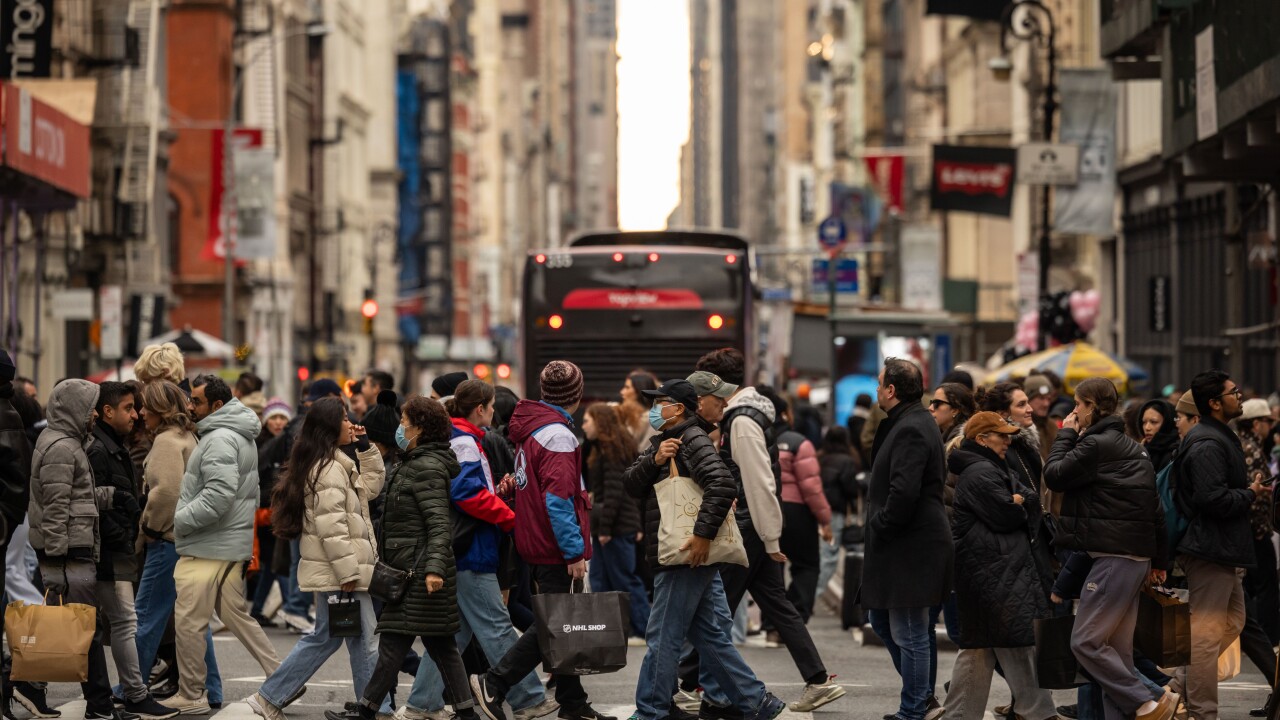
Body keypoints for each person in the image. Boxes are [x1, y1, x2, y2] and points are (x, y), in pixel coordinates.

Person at [684, 351, 843, 714]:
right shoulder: (745, 415)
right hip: (754, 527)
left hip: (748, 528)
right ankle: (817, 680)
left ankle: (689, 683)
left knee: (714, 608)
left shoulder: (740, 421)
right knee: (776, 605)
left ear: (717, 383)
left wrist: (771, 539)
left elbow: (759, 482)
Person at [621, 379, 787, 720]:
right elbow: (631, 484)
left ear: (678, 408)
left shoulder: (691, 438)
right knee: (709, 635)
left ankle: (651, 710)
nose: (654, 408)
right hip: (682, 552)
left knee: (663, 635)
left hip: (683, 552)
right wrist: (654, 459)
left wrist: (701, 536)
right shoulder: (666, 440)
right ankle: (756, 702)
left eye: (660, 402)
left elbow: (722, 484)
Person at [403, 381, 556, 720]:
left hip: (466, 548)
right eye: (490, 406)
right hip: (472, 550)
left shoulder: (463, 438)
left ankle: (422, 704)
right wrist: (509, 517)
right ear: (481, 409)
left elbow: (468, 491)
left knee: (453, 636)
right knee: (496, 627)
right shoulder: (466, 441)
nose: (494, 412)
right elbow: (466, 493)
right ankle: (529, 698)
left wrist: (496, 500)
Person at [471, 361, 614, 720]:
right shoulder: (559, 436)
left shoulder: (533, 430)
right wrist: (574, 551)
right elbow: (559, 499)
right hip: (554, 546)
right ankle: (495, 683)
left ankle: (572, 702)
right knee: (556, 624)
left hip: (532, 540)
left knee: (560, 623)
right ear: (576, 395)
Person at [335, 396, 479, 720]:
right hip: (408, 570)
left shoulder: (426, 467)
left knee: (402, 646)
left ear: (420, 428)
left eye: (404, 422)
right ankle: (465, 713)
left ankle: (367, 710)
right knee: (434, 646)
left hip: (419, 572)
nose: (400, 427)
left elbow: (440, 524)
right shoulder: (413, 462)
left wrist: (433, 569)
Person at [1044, 377, 1175, 720]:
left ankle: (1151, 697)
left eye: (1078, 404)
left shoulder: (1095, 445)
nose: (1074, 411)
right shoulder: (1134, 446)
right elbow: (1155, 509)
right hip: (1134, 559)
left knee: (1085, 641)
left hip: (1113, 557)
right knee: (1117, 653)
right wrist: (1159, 561)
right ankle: (1144, 702)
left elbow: (1055, 474)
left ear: (1093, 407)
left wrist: (1065, 434)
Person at [249, 397, 387, 720]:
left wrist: (366, 448)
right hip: (341, 572)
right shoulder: (328, 469)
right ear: (328, 428)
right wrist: (348, 571)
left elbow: (370, 488)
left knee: (329, 639)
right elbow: (332, 527)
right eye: (343, 418)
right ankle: (375, 709)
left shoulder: (337, 462)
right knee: (362, 641)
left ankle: (270, 697)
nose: (350, 423)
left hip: (340, 571)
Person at [162, 376, 281, 713]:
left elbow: (219, 495)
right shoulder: (236, 434)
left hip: (207, 546)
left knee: (187, 622)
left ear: (216, 405)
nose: (189, 406)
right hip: (225, 543)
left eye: (196, 401)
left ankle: (191, 694)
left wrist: (180, 519)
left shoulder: (219, 438)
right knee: (234, 614)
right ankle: (283, 678)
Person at [942, 412, 1056, 720]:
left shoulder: (990, 467)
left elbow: (1029, 498)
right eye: (1001, 435)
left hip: (996, 571)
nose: (1008, 440)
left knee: (987, 646)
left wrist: (1020, 500)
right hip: (994, 571)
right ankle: (1039, 713)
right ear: (982, 439)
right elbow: (1008, 514)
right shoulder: (980, 471)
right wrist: (1017, 502)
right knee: (1011, 643)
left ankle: (961, 714)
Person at [1168, 371, 1268, 720]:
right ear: (1214, 403)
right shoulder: (1208, 443)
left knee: (1233, 622)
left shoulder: (1217, 437)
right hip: (1210, 550)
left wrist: (1247, 490)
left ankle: (1175, 689)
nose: (1238, 397)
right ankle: (1201, 712)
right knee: (1206, 637)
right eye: (1233, 393)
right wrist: (1250, 494)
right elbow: (1212, 499)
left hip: (1222, 549)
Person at [27, 380, 126, 720]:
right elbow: (55, 507)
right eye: (90, 407)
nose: (95, 414)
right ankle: (98, 705)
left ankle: (32, 684)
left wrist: (111, 495)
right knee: (84, 627)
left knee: (74, 625)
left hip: (71, 547)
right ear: (74, 409)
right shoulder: (62, 448)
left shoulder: (67, 444)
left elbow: (73, 498)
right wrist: (56, 558)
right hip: (69, 551)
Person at [863, 359, 952, 720]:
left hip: (912, 544)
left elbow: (904, 491)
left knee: (912, 630)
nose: (876, 388)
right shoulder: (907, 422)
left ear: (892, 390)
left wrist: (881, 525)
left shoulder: (913, 427)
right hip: (903, 543)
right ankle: (921, 700)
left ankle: (914, 708)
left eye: (880, 382)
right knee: (883, 621)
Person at [131, 381, 224, 713]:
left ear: (159, 409)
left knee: (145, 616)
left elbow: (166, 492)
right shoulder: (189, 436)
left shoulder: (166, 442)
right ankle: (212, 687)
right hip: (192, 539)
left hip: (168, 540)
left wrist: (149, 528)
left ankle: (133, 684)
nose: (140, 412)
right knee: (196, 619)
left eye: (144, 406)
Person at [86, 382, 175, 719]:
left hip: (114, 550)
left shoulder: (113, 446)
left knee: (123, 622)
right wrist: (122, 533)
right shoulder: (100, 450)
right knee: (123, 622)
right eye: (128, 408)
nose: (136, 415)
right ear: (107, 411)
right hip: (108, 552)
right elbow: (94, 505)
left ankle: (128, 694)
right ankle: (129, 695)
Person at [757, 385, 832, 625]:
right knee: (806, 565)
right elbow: (811, 487)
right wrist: (824, 520)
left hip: (765, 509)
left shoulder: (755, 440)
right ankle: (795, 620)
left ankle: (771, 624)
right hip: (797, 512)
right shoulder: (799, 443)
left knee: (771, 571)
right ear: (786, 415)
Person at [582, 403, 650, 639]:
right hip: (615, 523)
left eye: (587, 420)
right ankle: (612, 629)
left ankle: (645, 628)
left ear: (600, 422)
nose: (584, 426)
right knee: (603, 578)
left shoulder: (610, 449)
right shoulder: (607, 446)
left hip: (615, 526)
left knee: (622, 579)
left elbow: (614, 491)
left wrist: (605, 528)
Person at [814, 426, 861, 607]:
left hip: (816, 510)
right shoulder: (847, 460)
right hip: (834, 511)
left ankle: (809, 593)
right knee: (829, 557)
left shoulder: (819, 457)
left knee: (820, 554)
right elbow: (850, 489)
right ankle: (812, 595)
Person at [617, 370, 661, 450]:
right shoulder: (624, 414)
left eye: (627, 387)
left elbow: (645, 452)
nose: (622, 392)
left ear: (639, 390)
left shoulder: (654, 419)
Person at [1022, 375, 1059, 460]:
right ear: (1028, 399)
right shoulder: (1021, 427)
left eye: (1049, 399)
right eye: (1041, 398)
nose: (1046, 404)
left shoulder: (1052, 426)